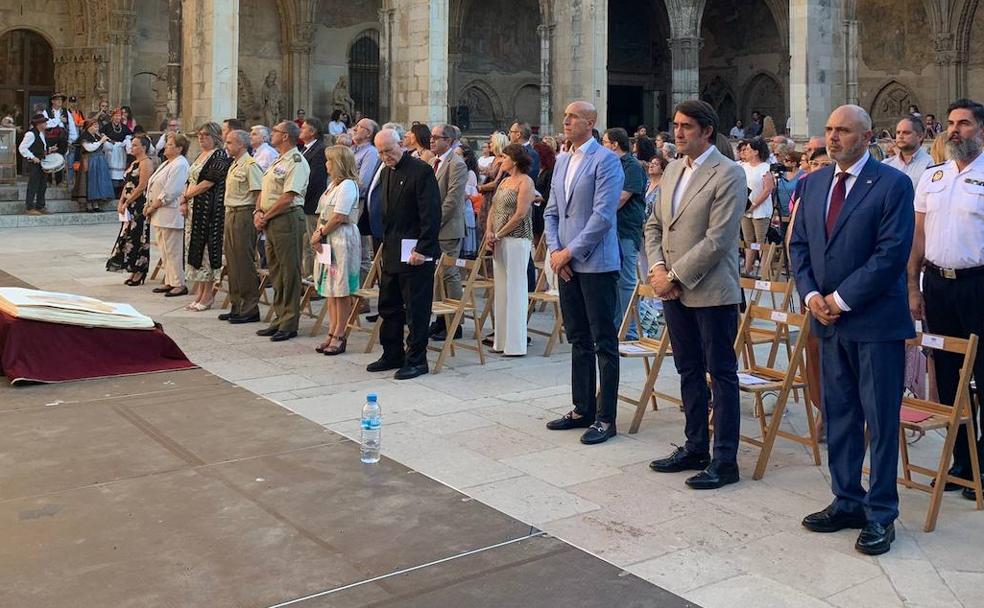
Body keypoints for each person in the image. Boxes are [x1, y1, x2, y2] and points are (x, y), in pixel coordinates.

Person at [789, 104, 915, 556]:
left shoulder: (893, 185)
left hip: (874, 322)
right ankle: (847, 499)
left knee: (880, 420)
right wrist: (810, 297)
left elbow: (890, 254)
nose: (833, 137)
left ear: (865, 137)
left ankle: (881, 512)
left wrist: (839, 300)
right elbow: (799, 244)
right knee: (840, 414)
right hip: (827, 322)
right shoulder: (816, 181)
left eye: (842, 131)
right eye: (829, 130)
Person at [644, 100, 745, 488]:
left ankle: (725, 459)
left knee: (720, 373)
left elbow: (718, 239)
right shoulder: (671, 169)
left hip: (711, 289)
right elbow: (655, 225)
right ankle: (695, 445)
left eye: (686, 126)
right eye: (676, 125)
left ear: (707, 131)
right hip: (672, 288)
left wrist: (675, 276)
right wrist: (656, 269)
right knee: (687, 367)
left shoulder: (728, 172)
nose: (678, 132)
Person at [908, 98, 984, 501]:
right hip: (937, 285)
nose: (955, 130)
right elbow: (918, 237)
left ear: (981, 131)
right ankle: (961, 464)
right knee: (950, 378)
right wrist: (912, 287)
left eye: (965, 124)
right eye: (952, 124)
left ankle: (983, 464)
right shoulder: (932, 177)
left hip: (978, 285)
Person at [543, 100, 624, 445]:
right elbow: (550, 212)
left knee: (603, 340)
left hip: (596, 261)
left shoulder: (606, 161)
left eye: (573, 116)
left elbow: (603, 216)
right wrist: (554, 251)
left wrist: (569, 252)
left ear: (590, 122)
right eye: (565, 116)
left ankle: (606, 417)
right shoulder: (562, 161)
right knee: (577, 337)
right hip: (566, 262)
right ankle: (582, 408)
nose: (566, 121)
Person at [367, 128, 441, 380]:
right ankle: (392, 353)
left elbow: (431, 214)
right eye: (380, 152)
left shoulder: (421, 171)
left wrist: (423, 248)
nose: (385, 156)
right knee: (389, 305)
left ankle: (417, 360)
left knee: (416, 309)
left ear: (401, 144)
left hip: (415, 252)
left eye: (388, 150)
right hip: (391, 248)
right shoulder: (387, 171)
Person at [255, 121, 310, 342]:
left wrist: (266, 216)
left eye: (275, 131)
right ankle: (278, 318)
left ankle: (289, 322)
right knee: (276, 270)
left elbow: (288, 196)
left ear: (286, 136)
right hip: (270, 218)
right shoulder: (278, 159)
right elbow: (265, 189)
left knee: (289, 271)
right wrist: (258, 211)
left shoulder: (296, 161)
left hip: (286, 218)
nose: (272, 134)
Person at [311, 145, 363, 355]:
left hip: (340, 238)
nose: (326, 164)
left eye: (330, 160)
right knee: (329, 289)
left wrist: (321, 232)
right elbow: (322, 212)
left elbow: (340, 216)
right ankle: (331, 330)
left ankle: (340, 334)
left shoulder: (348, 185)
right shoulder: (332, 185)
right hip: (326, 237)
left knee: (340, 289)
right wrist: (318, 235)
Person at [487, 143, 535, 356]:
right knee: (501, 288)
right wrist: (489, 232)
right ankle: (501, 340)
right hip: (498, 238)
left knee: (516, 287)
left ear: (514, 160)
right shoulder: (505, 180)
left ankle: (515, 343)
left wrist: (500, 233)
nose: (501, 160)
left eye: (504, 157)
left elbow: (520, 213)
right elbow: (493, 207)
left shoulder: (526, 181)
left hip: (517, 239)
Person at [179, 122, 230, 312]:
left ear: (215, 136)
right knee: (195, 249)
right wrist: (184, 201)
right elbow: (189, 180)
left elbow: (208, 183)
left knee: (207, 251)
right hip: (194, 209)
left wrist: (186, 196)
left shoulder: (219, 155)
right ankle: (199, 292)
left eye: (206, 134)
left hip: (209, 210)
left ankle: (208, 295)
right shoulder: (199, 155)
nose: (201, 137)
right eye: (199, 134)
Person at [602, 128, 648, 340]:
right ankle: (614, 325)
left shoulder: (632, 166)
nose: (603, 146)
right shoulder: (610, 164)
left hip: (626, 228)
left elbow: (621, 198)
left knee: (626, 280)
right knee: (612, 278)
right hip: (610, 229)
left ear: (614, 144)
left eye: (604, 142)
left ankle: (628, 329)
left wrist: (598, 210)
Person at [218, 129, 263, 324]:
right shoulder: (235, 163)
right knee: (232, 262)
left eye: (229, 142)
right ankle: (237, 304)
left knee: (244, 262)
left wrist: (257, 214)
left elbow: (258, 192)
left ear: (241, 145)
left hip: (244, 213)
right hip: (231, 212)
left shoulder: (250, 165)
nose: (226, 146)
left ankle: (250, 307)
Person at [429, 123, 469, 341]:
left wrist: (434, 222)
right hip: (433, 227)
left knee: (449, 274)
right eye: (432, 136)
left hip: (447, 227)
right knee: (436, 275)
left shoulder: (457, 164)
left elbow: (452, 199)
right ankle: (440, 319)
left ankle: (455, 322)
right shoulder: (432, 161)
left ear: (450, 141)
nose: (432, 140)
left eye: (437, 137)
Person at [145, 133, 191, 297]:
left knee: (173, 250)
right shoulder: (166, 163)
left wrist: (153, 206)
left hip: (170, 212)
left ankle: (179, 283)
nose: (166, 147)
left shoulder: (180, 164)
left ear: (179, 148)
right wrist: (148, 203)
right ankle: (169, 280)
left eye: (170, 145)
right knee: (164, 249)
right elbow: (154, 184)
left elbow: (171, 190)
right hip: (160, 212)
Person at [106, 134, 154, 285]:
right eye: (132, 145)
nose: (132, 147)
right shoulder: (134, 163)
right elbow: (127, 184)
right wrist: (121, 202)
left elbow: (142, 186)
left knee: (138, 236)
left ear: (143, 147)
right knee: (128, 236)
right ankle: (132, 268)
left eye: (135, 145)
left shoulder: (146, 163)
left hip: (138, 205)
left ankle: (140, 270)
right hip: (129, 204)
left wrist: (128, 202)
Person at [737, 138, 776, 277]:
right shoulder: (742, 166)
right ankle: (748, 270)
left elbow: (768, 189)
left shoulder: (764, 167)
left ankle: (765, 272)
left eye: (748, 149)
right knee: (748, 240)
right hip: (745, 208)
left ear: (755, 152)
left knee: (761, 240)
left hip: (760, 209)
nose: (745, 152)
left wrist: (754, 205)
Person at [299, 117, 327, 279]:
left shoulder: (319, 149)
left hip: (311, 202)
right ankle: (307, 275)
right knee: (306, 243)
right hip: (304, 203)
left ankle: (314, 278)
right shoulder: (305, 149)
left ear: (312, 132)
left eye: (304, 128)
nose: (301, 130)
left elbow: (315, 179)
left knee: (312, 242)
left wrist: (301, 196)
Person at [18, 114, 56, 215]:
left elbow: (39, 148)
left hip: (42, 163)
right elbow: (22, 148)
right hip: (34, 163)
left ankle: (40, 206)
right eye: (44, 122)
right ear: (39, 124)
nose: (46, 124)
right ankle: (29, 207)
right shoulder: (31, 134)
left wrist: (49, 149)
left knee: (42, 185)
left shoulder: (41, 134)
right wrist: (32, 157)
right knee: (33, 185)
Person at [75, 119, 114, 212]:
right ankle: (89, 205)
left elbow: (109, 148)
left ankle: (96, 205)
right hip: (89, 161)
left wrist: (105, 140)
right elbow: (89, 148)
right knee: (90, 181)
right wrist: (100, 141)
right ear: (89, 127)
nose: (97, 128)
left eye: (97, 126)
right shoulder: (84, 136)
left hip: (99, 161)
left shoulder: (98, 135)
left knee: (98, 182)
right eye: (94, 126)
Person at [883, 115, 932, 187]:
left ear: (920, 136)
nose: (900, 136)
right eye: (898, 132)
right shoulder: (886, 164)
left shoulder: (930, 164)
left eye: (906, 133)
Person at [43, 93, 77, 186]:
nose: (60, 101)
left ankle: (59, 181)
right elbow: (46, 124)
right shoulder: (46, 112)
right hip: (50, 138)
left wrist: (71, 139)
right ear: (52, 101)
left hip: (62, 138)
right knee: (49, 158)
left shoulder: (66, 112)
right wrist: (59, 120)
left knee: (60, 158)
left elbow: (72, 126)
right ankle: (48, 180)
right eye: (57, 100)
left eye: (61, 100)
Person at [102, 109, 132, 197]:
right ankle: (111, 191)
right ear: (112, 117)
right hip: (111, 151)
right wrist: (109, 141)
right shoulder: (107, 126)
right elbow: (102, 134)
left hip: (121, 151)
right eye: (115, 116)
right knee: (111, 171)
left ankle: (119, 191)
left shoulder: (124, 127)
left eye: (119, 116)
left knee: (120, 171)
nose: (117, 118)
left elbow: (129, 135)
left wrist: (125, 141)